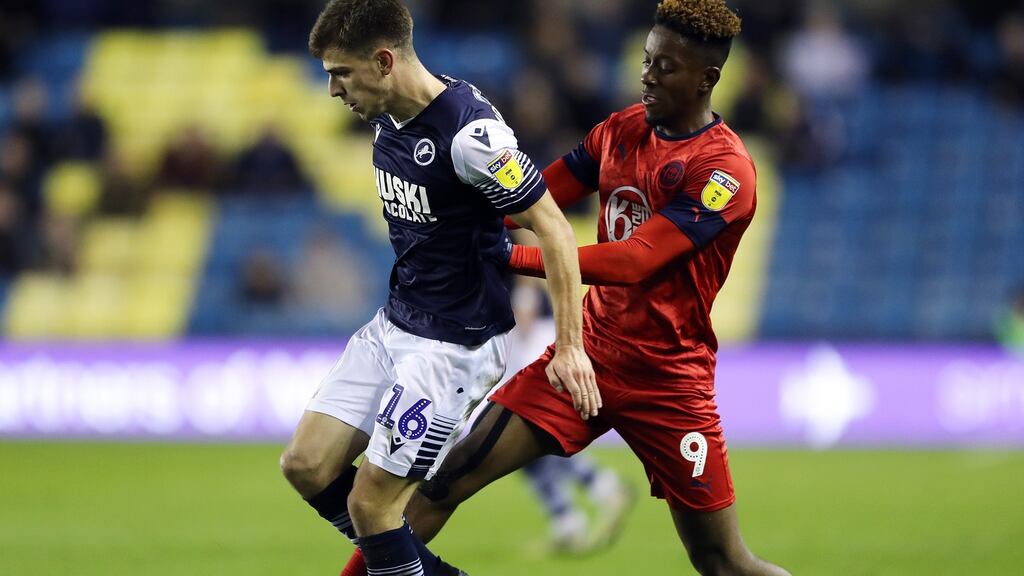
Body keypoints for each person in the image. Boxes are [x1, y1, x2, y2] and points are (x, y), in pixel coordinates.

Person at [340, 0, 791, 574]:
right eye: (647, 60)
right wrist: (451, 212)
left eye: (666, 67)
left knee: (723, 562)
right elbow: (529, 200)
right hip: (589, 357)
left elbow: (636, 261)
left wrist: (513, 256)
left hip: (668, 380)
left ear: (709, 79)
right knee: (442, 482)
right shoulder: (620, 130)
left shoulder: (726, 172)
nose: (648, 75)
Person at [279, 2, 597, 576]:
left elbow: (554, 227)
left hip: (453, 347)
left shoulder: (471, 138)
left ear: (382, 61)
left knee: (371, 506)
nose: (332, 90)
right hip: (396, 321)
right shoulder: (384, 111)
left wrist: (570, 346)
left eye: (340, 72)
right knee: (305, 465)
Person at [504, 275, 635, 554]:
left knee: (523, 429)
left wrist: (525, 307)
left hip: (528, 329)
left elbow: (530, 251)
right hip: (515, 328)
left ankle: (586, 501)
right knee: (519, 437)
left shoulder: (509, 229)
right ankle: (574, 514)